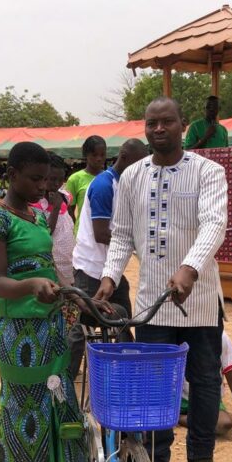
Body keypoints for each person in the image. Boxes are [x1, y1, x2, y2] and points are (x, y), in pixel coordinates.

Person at [95, 96, 228, 462]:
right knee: (154, 387)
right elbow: (120, 234)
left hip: (200, 300)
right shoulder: (131, 176)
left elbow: (214, 223)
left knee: (204, 383)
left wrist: (190, 268)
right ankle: (157, 457)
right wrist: (107, 277)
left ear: (182, 125)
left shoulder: (209, 172)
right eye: (151, 123)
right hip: (153, 302)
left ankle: (202, 457)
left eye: (166, 121)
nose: (158, 129)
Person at [0, 142, 88, 462]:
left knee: (57, 399)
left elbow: (52, 272)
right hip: (18, 332)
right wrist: (30, 286)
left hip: (52, 326)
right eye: (35, 178)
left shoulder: (38, 218)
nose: (44, 186)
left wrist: (83, 302)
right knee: (20, 405)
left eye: (46, 179)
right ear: (12, 175)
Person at [67, 138, 148, 378]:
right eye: (139, 164)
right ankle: (66, 379)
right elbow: (102, 233)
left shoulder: (121, 183)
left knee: (124, 319)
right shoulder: (104, 185)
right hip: (91, 269)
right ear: (124, 158)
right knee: (83, 327)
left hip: (109, 269)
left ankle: (129, 371)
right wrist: (136, 241)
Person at [178, 332, 232, 439]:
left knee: (224, 424)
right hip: (176, 399)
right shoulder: (175, 333)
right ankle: (179, 415)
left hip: (207, 396)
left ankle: (179, 418)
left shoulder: (221, 337)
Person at [30, 152, 75, 286]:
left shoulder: (65, 197)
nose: (56, 183)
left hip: (69, 260)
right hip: (52, 263)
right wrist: (55, 208)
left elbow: (69, 221)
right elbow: (46, 232)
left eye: (60, 179)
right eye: (52, 179)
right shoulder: (36, 203)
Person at [65, 135, 106, 235]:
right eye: (94, 155)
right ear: (85, 155)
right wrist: (77, 229)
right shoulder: (75, 179)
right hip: (83, 234)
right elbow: (70, 210)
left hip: (106, 233)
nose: (99, 159)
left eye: (102, 155)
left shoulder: (110, 178)